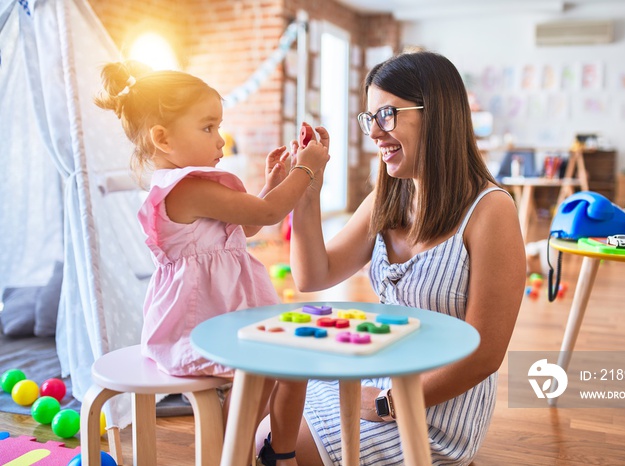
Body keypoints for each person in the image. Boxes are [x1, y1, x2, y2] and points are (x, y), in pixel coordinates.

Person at [288, 51, 526, 464]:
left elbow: (486, 353)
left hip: (435, 409)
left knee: (285, 445)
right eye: (370, 119)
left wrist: (386, 402)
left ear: (436, 114)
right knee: (268, 412)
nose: (375, 133)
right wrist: (307, 195)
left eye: (387, 115)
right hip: (378, 377)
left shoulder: (491, 210)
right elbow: (313, 274)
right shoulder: (388, 196)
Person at [95, 60, 329, 466]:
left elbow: (250, 226)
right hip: (195, 325)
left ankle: (272, 451)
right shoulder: (184, 189)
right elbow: (270, 213)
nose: (220, 140)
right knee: (261, 369)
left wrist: (275, 181)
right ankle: (232, 453)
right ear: (163, 138)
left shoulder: (198, 187)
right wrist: (307, 168)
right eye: (208, 128)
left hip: (225, 315)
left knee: (288, 366)